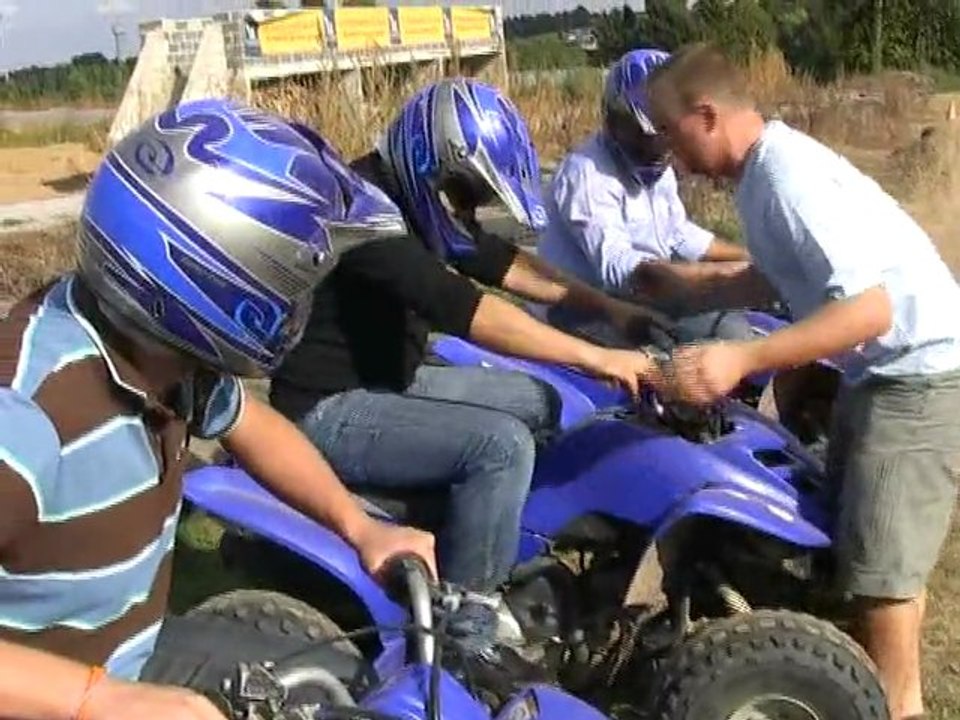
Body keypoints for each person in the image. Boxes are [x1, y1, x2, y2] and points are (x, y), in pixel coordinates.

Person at [0, 99, 436, 720]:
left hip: (133, 657)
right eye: (288, 287)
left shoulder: (168, 359)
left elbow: (255, 427)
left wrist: (360, 524)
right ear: (213, 281)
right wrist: (98, 700)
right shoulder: (25, 414)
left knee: (348, 682)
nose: (298, 306)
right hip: (50, 702)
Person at [644, 43, 960, 720]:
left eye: (670, 132)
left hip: (916, 375)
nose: (669, 152)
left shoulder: (786, 181)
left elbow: (868, 310)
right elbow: (784, 276)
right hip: (886, 373)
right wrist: (683, 288)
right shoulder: (764, 174)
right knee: (871, 554)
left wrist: (740, 360)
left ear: (706, 115)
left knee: (882, 579)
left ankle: (895, 707)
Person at [269, 77, 660, 605]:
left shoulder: (419, 199)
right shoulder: (362, 211)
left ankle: (485, 532)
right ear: (430, 163)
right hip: (329, 407)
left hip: (392, 375)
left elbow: (505, 265)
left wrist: (611, 308)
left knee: (541, 401)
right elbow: (463, 309)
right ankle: (468, 618)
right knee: (500, 446)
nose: (469, 210)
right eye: (466, 195)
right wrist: (596, 356)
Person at [536, 47, 753, 349]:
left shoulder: (660, 170)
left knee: (745, 322)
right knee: (722, 335)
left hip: (643, 292)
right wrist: (709, 276)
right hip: (582, 306)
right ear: (612, 118)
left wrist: (749, 258)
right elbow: (615, 266)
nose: (648, 146)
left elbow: (678, 234)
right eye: (637, 133)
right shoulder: (587, 174)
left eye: (659, 137)